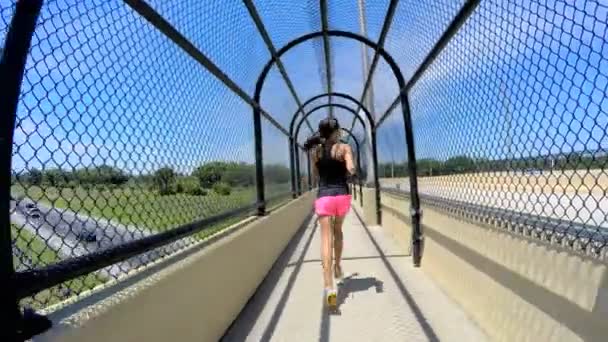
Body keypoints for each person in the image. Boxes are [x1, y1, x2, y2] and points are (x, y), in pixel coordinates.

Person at [304, 118, 356, 309]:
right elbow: (351, 169)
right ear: (336, 132)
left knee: (325, 239)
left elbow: (316, 175)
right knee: (338, 231)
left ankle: (330, 291)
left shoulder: (315, 152)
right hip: (341, 196)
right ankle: (338, 266)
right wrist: (349, 167)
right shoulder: (344, 148)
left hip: (324, 197)